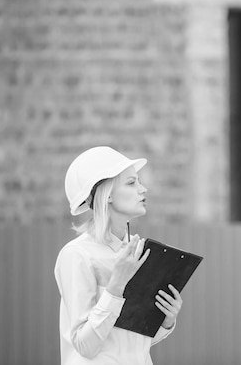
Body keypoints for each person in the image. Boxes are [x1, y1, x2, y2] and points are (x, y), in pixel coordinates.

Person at [55, 146, 183, 365]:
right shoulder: (77, 255)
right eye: (132, 183)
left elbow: (129, 342)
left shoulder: (138, 251)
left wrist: (166, 321)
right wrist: (116, 286)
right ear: (107, 195)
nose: (143, 190)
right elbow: (85, 345)